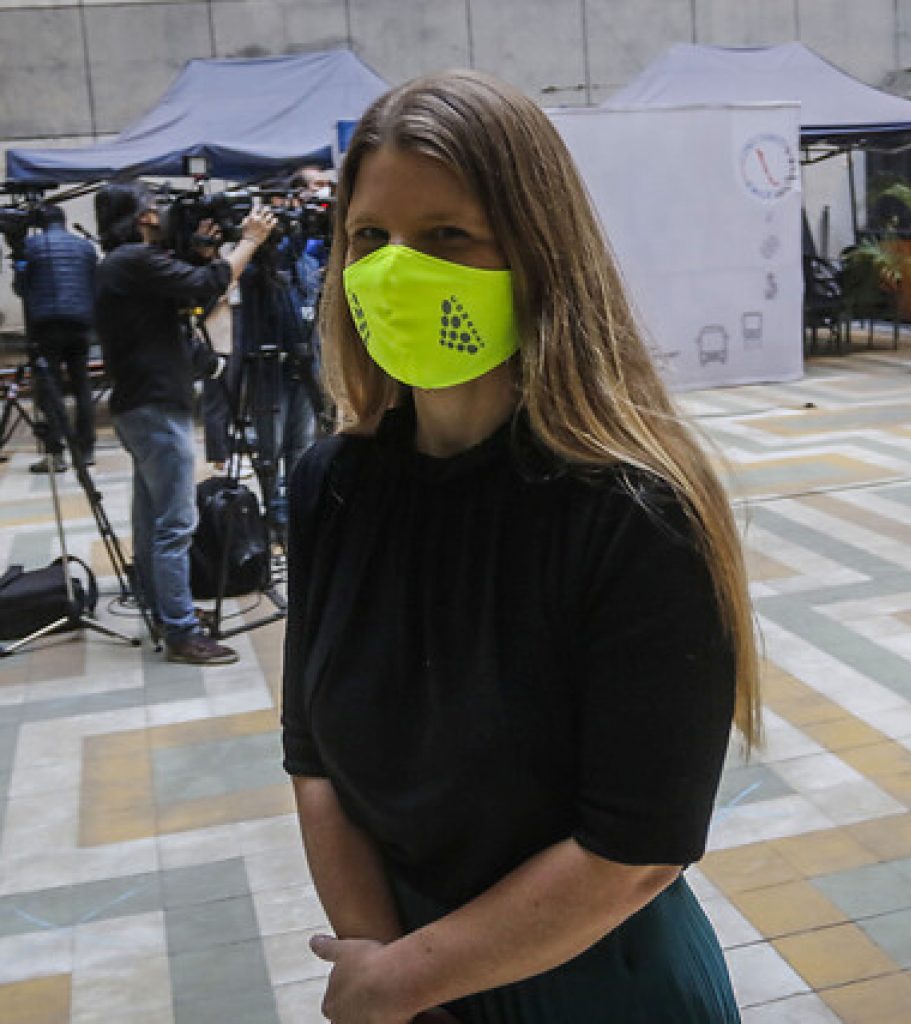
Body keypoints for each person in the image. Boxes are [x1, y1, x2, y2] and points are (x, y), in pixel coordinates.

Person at [282, 70, 761, 1023]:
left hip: (597, 980)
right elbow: (313, 762)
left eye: (447, 236)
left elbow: (636, 852)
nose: (396, 270)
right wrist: (389, 974)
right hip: (406, 966)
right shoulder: (332, 486)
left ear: (539, 252)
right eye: (369, 238)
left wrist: (403, 983)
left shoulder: (634, 511)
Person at [94, 182, 276, 665]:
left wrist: (199, 252)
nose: (161, 212)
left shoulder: (125, 264)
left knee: (153, 520)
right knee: (176, 524)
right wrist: (250, 241)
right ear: (141, 217)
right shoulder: (133, 259)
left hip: (142, 405)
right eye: (153, 206)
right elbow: (205, 284)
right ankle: (181, 631)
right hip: (154, 407)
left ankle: (166, 611)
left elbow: (186, 285)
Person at [13, 203, 98, 472]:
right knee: (82, 385)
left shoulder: (31, 246)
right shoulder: (85, 247)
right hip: (80, 324)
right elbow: (94, 284)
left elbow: (21, 287)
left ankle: (56, 452)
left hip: (46, 325)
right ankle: (86, 450)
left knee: (49, 388)